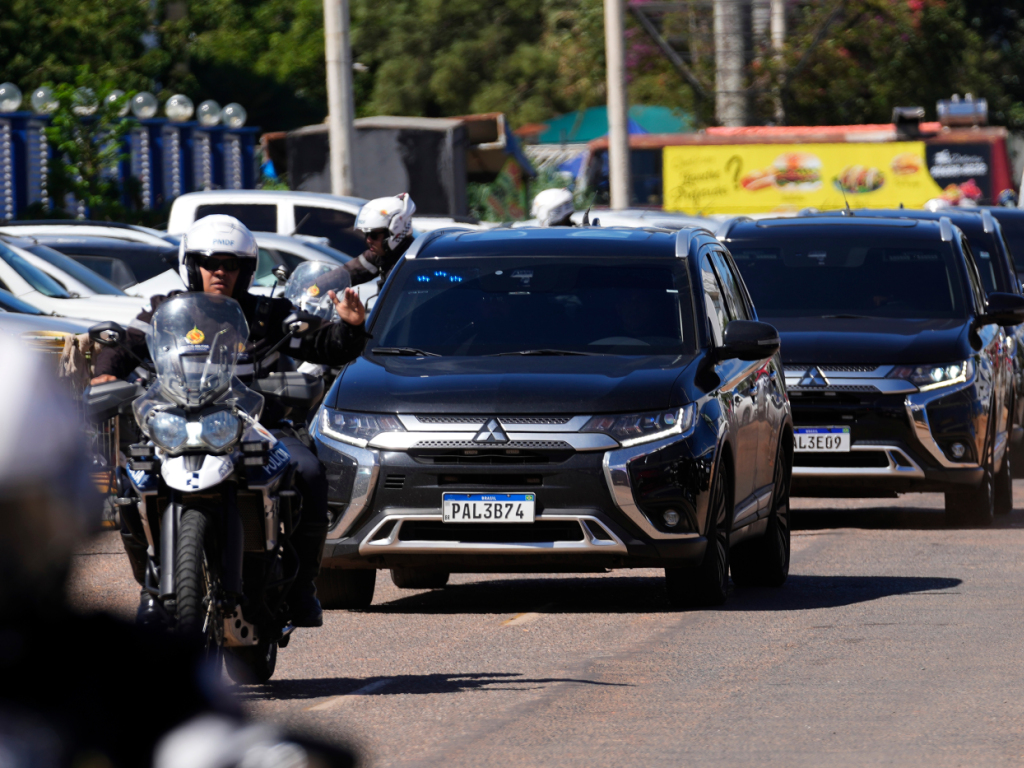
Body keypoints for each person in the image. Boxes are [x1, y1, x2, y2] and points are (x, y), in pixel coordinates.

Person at [89, 214, 368, 628]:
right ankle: (151, 586)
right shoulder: (166, 309)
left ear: (246, 270)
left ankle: (302, 586)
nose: (220, 271)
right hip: (177, 425)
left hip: (257, 425)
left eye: (230, 264)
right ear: (191, 265)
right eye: (209, 262)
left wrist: (349, 326)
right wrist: (105, 373)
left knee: (308, 471)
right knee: (132, 481)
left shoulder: (268, 314)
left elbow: (324, 345)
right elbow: (126, 346)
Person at [341, 192, 416, 287]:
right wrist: (322, 286)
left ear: (395, 231)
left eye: (374, 235)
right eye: (367, 234)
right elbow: (348, 272)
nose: (368, 240)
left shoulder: (411, 265)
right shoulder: (380, 254)